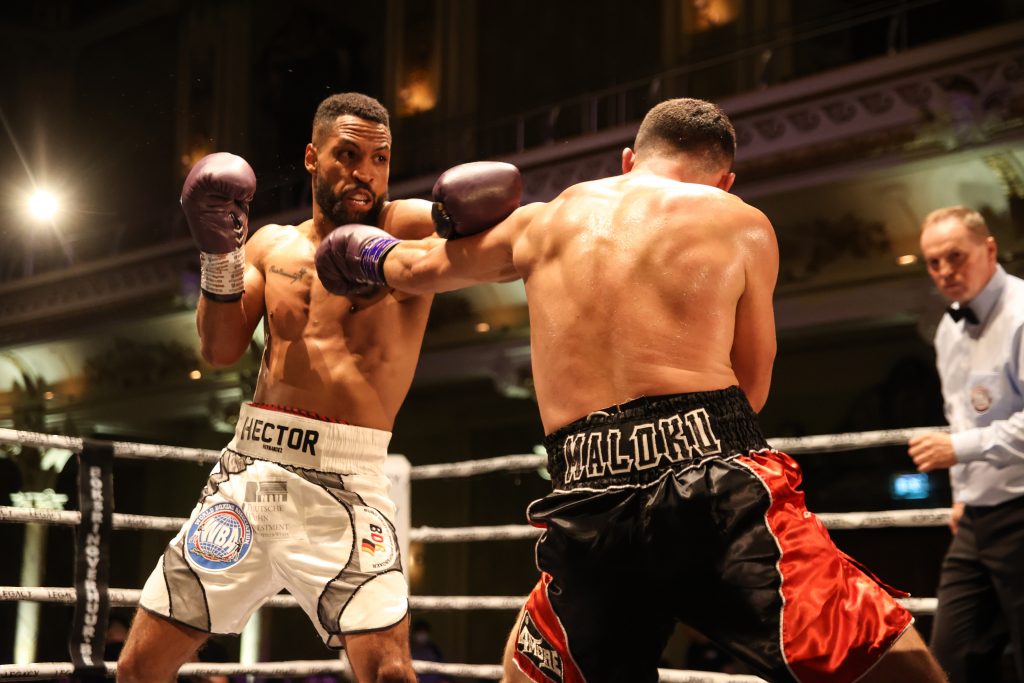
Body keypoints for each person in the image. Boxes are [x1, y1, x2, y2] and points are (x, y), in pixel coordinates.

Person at [315, 98, 947, 682]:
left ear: (627, 162)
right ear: (724, 180)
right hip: (714, 484)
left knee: (528, 671)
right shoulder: (741, 220)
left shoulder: (544, 220)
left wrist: (359, 246)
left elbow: (413, 267)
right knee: (894, 664)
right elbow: (752, 385)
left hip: (589, 499)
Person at [116, 92, 521, 683]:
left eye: (379, 159)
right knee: (138, 667)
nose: (366, 174)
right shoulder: (270, 245)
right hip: (252, 472)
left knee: (388, 673)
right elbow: (221, 348)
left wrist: (472, 215)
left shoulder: (406, 225)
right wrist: (218, 253)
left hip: (348, 477)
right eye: (348, 155)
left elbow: (503, 246)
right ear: (312, 157)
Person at [909, 206, 1024, 683]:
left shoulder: (1021, 313)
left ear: (989, 249)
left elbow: (962, 436)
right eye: (933, 263)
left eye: (955, 257)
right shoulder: (946, 331)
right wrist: (960, 494)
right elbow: (958, 414)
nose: (944, 272)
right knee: (950, 661)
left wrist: (960, 449)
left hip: (1022, 509)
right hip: (976, 518)